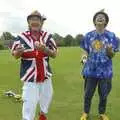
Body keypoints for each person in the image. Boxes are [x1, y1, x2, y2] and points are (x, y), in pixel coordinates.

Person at [11, 10, 58, 120]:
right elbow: (15, 55)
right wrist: (19, 52)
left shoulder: (47, 37)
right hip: (30, 78)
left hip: (46, 76)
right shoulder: (21, 37)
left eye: (37, 19)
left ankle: (42, 115)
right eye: (32, 19)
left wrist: (44, 49)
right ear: (28, 22)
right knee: (29, 104)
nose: (35, 22)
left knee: (46, 98)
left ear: (41, 22)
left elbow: (54, 54)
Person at [80, 10, 119, 120]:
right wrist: (83, 58)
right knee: (88, 94)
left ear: (106, 21)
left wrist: (109, 51)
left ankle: (102, 113)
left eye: (103, 17)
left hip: (105, 72)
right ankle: (85, 113)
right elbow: (85, 51)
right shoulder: (88, 36)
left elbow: (112, 55)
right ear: (94, 21)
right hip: (90, 70)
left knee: (103, 94)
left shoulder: (111, 36)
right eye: (98, 16)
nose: (100, 17)